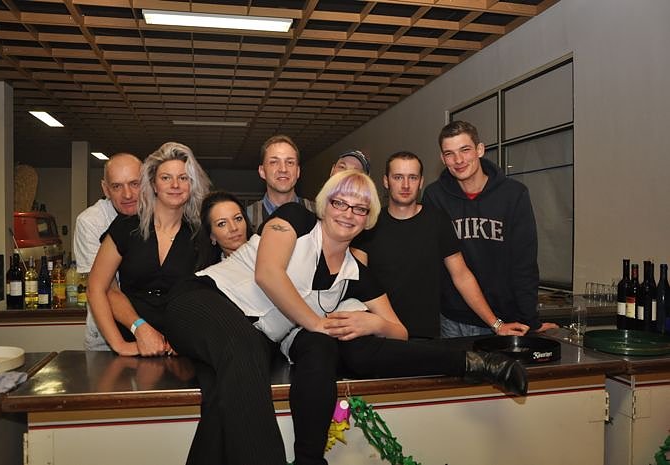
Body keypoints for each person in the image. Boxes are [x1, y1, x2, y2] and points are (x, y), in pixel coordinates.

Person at [164, 170, 527, 465]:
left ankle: (476, 363)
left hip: (252, 336)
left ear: (369, 220)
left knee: (224, 399)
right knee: (246, 351)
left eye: (359, 208)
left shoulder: (357, 274)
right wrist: (316, 322)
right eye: (339, 203)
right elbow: (268, 274)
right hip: (203, 300)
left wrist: (375, 323)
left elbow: (399, 331)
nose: (347, 213)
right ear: (325, 205)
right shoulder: (294, 219)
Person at [352, 151, 529, 339]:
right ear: (386, 181)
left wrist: (496, 324)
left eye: (413, 177)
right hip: (380, 334)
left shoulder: (437, 221)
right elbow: (357, 282)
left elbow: (461, 276)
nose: (405, 185)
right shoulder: (368, 224)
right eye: (398, 177)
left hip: (427, 337)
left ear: (421, 182)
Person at [423, 120, 558, 337]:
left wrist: (530, 320)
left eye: (465, 150)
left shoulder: (514, 194)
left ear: (480, 149)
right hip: (453, 319)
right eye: (449, 153)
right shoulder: (434, 196)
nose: (458, 160)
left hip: (505, 318)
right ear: (442, 158)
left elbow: (524, 262)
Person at [87, 142, 211, 356]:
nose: (175, 185)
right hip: (134, 342)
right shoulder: (126, 227)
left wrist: (190, 338)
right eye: (166, 178)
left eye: (183, 178)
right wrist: (121, 345)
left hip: (184, 350)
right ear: (153, 184)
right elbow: (96, 288)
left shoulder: (203, 235)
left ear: (192, 185)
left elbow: (211, 298)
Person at [73, 152, 142, 351]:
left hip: (152, 332)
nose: (127, 194)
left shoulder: (159, 216)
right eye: (117, 186)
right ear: (106, 189)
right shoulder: (91, 222)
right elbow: (106, 289)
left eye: (134, 183)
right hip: (107, 339)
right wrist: (139, 329)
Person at [247, 134, 315, 232]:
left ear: (298, 171)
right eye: (274, 162)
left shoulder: (318, 213)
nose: (283, 169)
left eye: (290, 162)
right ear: (262, 172)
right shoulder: (247, 218)